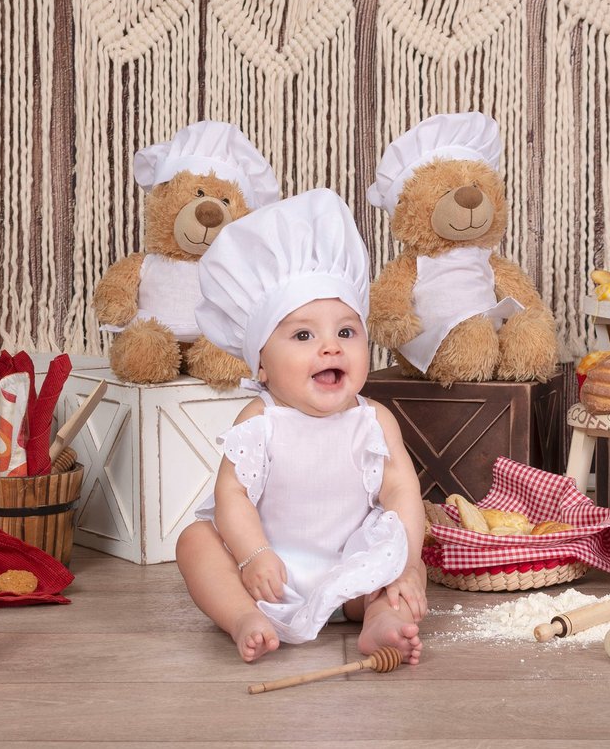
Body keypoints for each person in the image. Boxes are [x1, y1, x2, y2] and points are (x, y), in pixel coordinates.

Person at [175, 188, 428, 664]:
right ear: (262, 365)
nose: (331, 347)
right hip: (268, 573)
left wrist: (406, 565)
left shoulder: (373, 420)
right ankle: (241, 617)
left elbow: (400, 493)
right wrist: (251, 555)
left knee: (403, 546)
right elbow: (232, 497)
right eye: (304, 334)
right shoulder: (260, 421)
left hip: (351, 571)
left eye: (346, 332)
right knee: (195, 542)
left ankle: (380, 617)